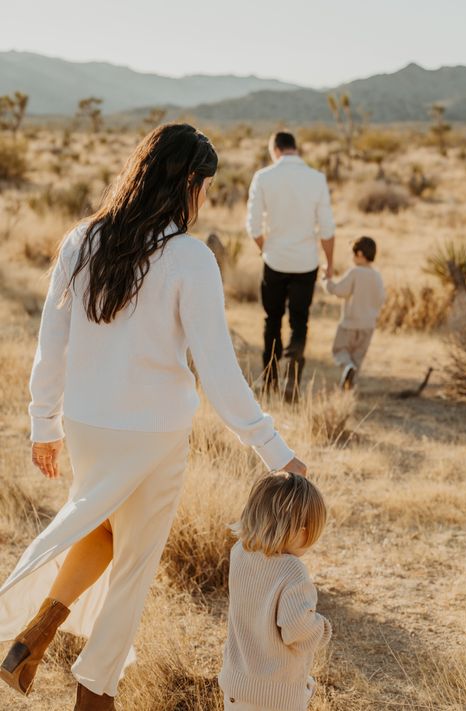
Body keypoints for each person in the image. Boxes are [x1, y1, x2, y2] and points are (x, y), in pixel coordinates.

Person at [0, 124, 306, 711]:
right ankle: (95, 695)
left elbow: (51, 343)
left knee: (100, 531)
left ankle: (32, 639)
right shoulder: (189, 258)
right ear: (186, 183)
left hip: (89, 426)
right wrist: (274, 450)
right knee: (134, 566)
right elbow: (218, 371)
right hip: (154, 434)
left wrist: (45, 424)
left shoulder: (83, 240)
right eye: (207, 188)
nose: (205, 200)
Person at [219, 472, 331, 711]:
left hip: (236, 686)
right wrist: (321, 628)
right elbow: (297, 630)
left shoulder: (239, 552)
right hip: (275, 697)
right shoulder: (292, 571)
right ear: (301, 532)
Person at [246, 131, 336, 399]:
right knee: (300, 322)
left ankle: (269, 380)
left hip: (274, 262)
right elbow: (327, 229)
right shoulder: (317, 179)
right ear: (295, 148)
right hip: (306, 264)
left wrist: (266, 249)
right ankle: (292, 382)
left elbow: (252, 225)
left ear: (275, 149)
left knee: (271, 321)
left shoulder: (263, 177)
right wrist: (329, 265)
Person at [325, 236, 385, 389]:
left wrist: (327, 282)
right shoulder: (377, 276)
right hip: (368, 325)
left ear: (359, 254)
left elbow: (340, 291)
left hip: (349, 323)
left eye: (353, 254)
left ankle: (347, 369)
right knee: (358, 358)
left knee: (340, 351)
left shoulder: (355, 272)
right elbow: (381, 299)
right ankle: (348, 387)